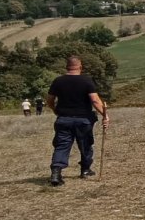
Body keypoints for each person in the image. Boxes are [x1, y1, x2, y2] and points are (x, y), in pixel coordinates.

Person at [44, 56, 108, 186]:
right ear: (80, 66)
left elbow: (49, 100)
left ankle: (56, 173)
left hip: (63, 120)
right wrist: (105, 115)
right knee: (85, 145)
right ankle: (85, 170)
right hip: (83, 120)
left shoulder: (58, 81)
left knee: (61, 145)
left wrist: (55, 110)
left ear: (67, 67)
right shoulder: (86, 81)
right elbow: (95, 100)